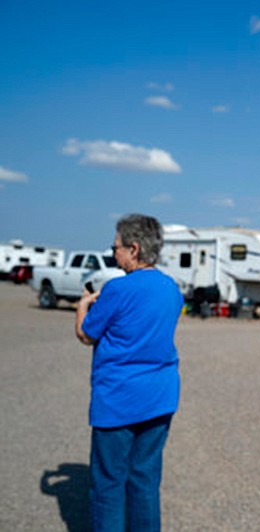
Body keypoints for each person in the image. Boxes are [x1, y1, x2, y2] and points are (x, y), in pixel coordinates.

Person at [75, 214, 183, 532]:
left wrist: (83, 306)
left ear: (133, 249)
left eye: (115, 248)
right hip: (160, 396)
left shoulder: (117, 289)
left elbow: (86, 334)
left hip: (118, 398)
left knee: (108, 484)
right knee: (145, 479)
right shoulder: (170, 288)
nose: (114, 254)